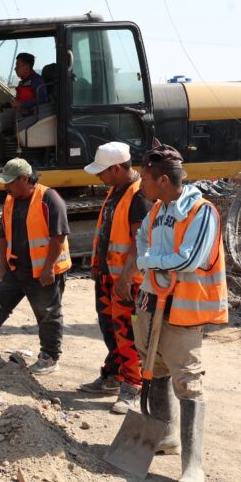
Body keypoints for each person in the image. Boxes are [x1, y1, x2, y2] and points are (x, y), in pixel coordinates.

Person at [133, 144, 226, 482]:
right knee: (154, 369)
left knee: (188, 381)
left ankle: (193, 466)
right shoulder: (157, 209)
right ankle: (167, 434)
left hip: (185, 310)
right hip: (154, 305)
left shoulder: (202, 213)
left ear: (161, 179)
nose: (141, 184)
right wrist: (152, 258)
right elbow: (143, 241)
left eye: (144, 178)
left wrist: (150, 261)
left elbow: (188, 260)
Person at [0, 158, 71, 374]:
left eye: (9, 182)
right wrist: (2, 266)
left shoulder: (49, 198)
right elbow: (4, 235)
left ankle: (49, 357)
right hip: (16, 268)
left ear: (24, 179)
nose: (5, 187)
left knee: (47, 313)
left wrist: (48, 268)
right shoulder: (11, 199)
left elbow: (58, 237)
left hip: (42, 272)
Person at [79, 142, 152, 414]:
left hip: (127, 281)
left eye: (102, 172)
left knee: (127, 333)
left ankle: (133, 386)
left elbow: (138, 242)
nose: (99, 177)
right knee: (110, 328)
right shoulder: (115, 191)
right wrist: (98, 264)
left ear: (118, 168)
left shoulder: (138, 197)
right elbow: (108, 232)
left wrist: (124, 278)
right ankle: (114, 374)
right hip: (109, 276)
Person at [0, 52, 49, 163]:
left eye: (18, 65)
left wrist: (21, 105)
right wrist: (7, 105)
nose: (15, 68)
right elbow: (20, 100)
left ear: (27, 66)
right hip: (17, 112)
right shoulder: (23, 82)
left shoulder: (36, 80)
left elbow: (43, 99)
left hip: (27, 115)